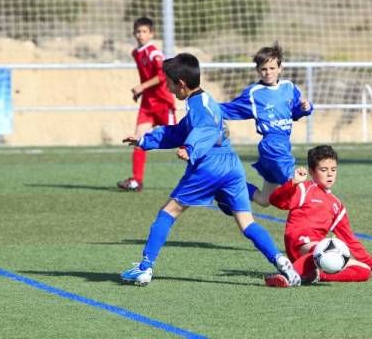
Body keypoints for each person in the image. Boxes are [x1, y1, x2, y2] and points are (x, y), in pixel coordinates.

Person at [119, 53, 301, 287]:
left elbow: (205, 130)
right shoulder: (204, 101)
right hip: (231, 166)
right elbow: (178, 131)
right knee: (247, 223)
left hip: (209, 165)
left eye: (169, 82)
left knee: (169, 211)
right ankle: (282, 263)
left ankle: (145, 268)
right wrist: (145, 140)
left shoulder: (199, 107)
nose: (167, 87)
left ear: (181, 84)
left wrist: (191, 148)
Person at [264, 145, 372, 287]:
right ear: (312, 172)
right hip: (301, 244)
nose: (330, 174)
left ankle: (317, 275)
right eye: (323, 170)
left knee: (364, 270)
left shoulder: (337, 205)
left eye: (333, 169)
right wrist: (293, 183)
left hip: (321, 252)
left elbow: (349, 239)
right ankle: (289, 275)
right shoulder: (304, 188)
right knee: (320, 249)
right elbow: (275, 200)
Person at [218, 42, 313, 207]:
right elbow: (231, 109)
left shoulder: (289, 87)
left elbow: (295, 112)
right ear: (258, 71)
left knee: (264, 200)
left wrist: (306, 108)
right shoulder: (254, 93)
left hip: (282, 143)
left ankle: (224, 187)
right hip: (273, 145)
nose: (268, 72)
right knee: (299, 189)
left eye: (272, 68)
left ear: (280, 68)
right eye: (264, 69)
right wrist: (206, 108)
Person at [117, 16, 176, 192]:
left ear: (151, 34)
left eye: (144, 31)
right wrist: (142, 90)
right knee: (139, 139)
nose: (140, 35)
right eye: (138, 31)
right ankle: (136, 180)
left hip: (163, 101)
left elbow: (162, 76)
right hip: (148, 104)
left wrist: (142, 86)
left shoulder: (154, 53)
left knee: (182, 140)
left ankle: (207, 171)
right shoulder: (136, 53)